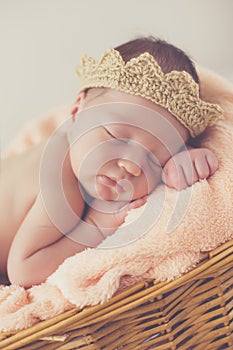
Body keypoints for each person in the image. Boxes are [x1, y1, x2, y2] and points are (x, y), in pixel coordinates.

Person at [0, 36, 223, 287]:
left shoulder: (79, 148)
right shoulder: (60, 186)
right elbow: (23, 270)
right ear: (76, 111)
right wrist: (98, 226)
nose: (131, 166)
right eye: (115, 136)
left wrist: (186, 157)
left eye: (154, 159)